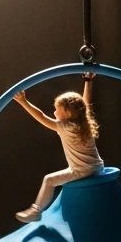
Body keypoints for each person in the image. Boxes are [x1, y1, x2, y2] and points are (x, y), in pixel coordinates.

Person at [13, 72, 102, 223]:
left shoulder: (65, 127)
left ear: (68, 113)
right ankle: (37, 210)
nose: (54, 112)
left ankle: (35, 211)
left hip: (82, 170)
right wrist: (88, 81)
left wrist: (23, 102)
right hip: (96, 167)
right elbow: (85, 104)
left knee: (49, 180)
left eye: (57, 109)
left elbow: (41, 116)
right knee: (53, 179)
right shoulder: (83, 122)